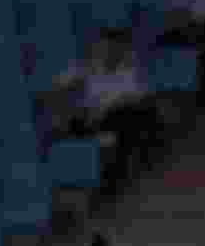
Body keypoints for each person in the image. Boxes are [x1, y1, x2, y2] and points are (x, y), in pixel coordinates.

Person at [43, 28, 164, 190]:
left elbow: (133, 96)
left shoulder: (129, 68)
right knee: (67, 122)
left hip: (116, 116)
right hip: (92, 116)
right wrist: (62, 88)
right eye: (104, 48)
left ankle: (111, 179)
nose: (107, 51)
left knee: (124, 117)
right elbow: (60, 82)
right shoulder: (91, 65)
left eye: (113, 47)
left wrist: (104, 109)